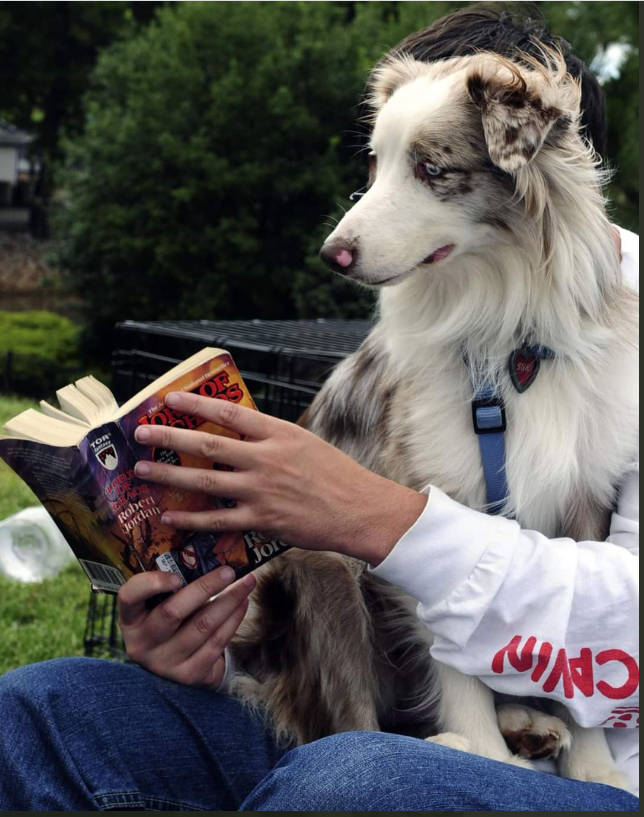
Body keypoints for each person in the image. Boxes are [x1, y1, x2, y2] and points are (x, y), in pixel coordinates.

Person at [0, 9, 638, 812]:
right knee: (32, 711)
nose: (352, 230)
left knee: (347, 782)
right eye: (378, 166)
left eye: (428, 169)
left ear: (536, 156)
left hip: (586, 762)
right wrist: (213, 646)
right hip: (346, 711)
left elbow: (630, 613)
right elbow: (314, 592)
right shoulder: (435, 307)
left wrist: (385, 520)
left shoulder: (624, 332)